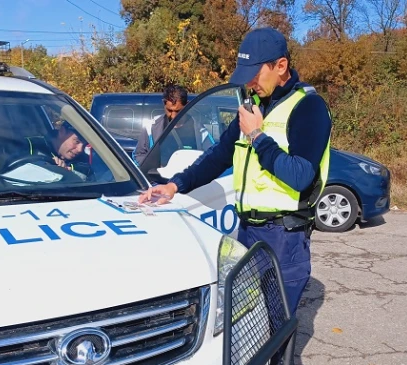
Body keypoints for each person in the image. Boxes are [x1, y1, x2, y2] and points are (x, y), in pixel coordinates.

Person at [139, 27, 332, 318]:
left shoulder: (308, 107)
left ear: (281, 66)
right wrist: (175, 185)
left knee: (277, 334)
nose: (250, 83)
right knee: (243, 322)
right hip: (247, 232)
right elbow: (217, 156)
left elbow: (301, 175)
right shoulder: (252, 106)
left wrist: (257, 135)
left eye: (256, 74)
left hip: (283, 237)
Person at [133, 84, 214, 166]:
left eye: (178, 111)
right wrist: (154, 168)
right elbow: (137, 156)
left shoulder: (199, 129)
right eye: (169, 110)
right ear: (164, 103)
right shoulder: (150, 127)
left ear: (187, 105)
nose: (173, 116)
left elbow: (212, 156)